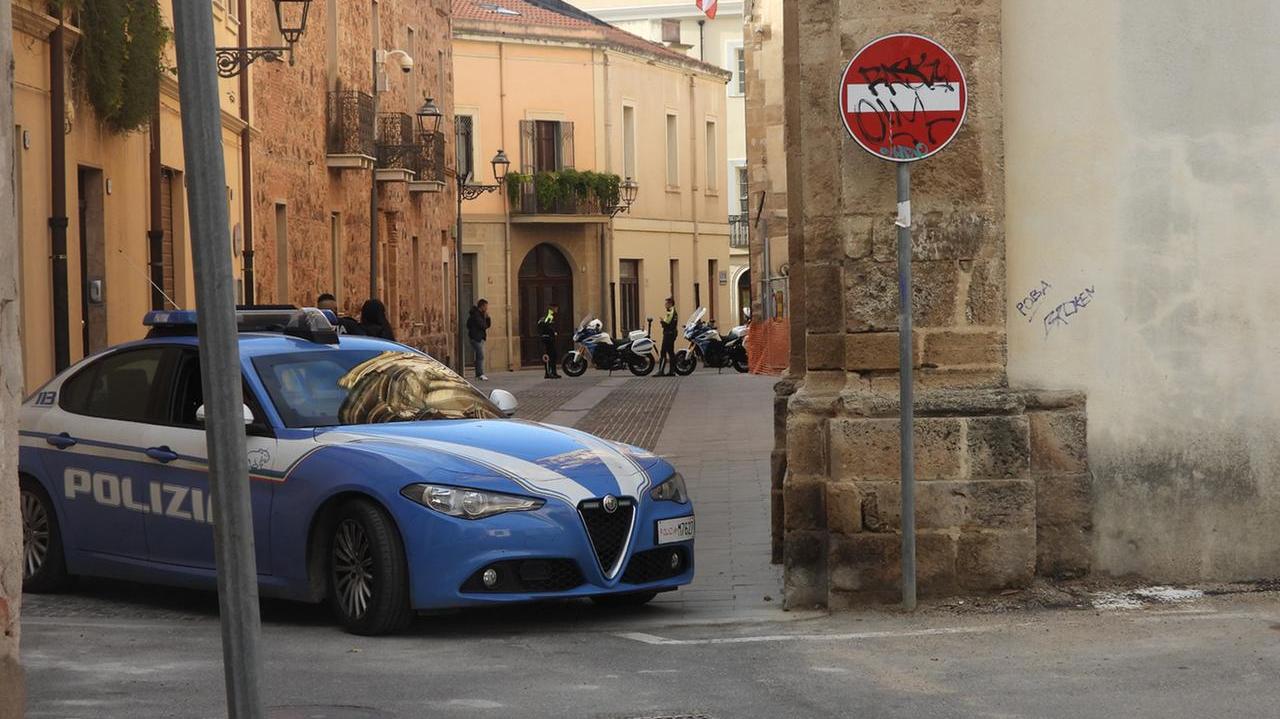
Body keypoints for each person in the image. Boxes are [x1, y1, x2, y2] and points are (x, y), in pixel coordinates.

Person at [467, 299, 491, 381]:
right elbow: (483, 326)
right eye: (486, 306)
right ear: (482, 306)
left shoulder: (480, 315)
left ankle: (478, 374)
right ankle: (480, 373)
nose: (487, 308)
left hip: (479, 337)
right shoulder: (476, 315)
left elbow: (487, 325)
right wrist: (485, 318)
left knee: (478, 356)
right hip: (476, 338)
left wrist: (487, 318)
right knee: (480, 355)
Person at [537, 303, 561, 379]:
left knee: (552, 355)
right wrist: (552, 332)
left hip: (547, 338)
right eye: (556, 308)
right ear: (553, 308)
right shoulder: (549, 315)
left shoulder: (550, 315)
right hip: (547, 339)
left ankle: (552, 372)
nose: (557, 310)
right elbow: (546, 324)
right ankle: (549, 373)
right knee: (550, 356)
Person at [657, 297, 679, 377]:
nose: (665, 305)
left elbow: (667, 323)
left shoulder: (671, 312)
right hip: (671, 333)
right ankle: (672, 371)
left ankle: (661, 370)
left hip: (668, 334)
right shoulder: (672, 311)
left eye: (666, 303)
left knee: (663, 351)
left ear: (670, 304)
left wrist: (662, 322)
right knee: (670, 352)